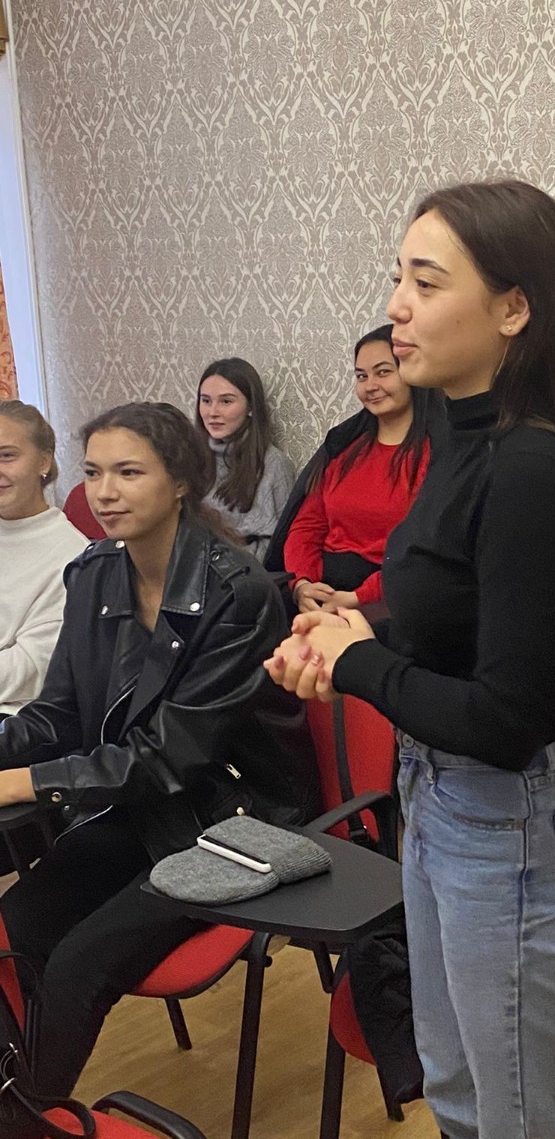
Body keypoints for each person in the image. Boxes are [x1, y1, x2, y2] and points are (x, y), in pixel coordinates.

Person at [267, 180, 555, 1139]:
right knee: (459, 1093)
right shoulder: (459, 439)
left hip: (509, 826)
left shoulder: (535, 467)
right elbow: (446, 619)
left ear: (514, 309)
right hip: (438, 798)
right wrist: (348, 635)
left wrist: (357, 665)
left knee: (521, 1122)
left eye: (426, 284)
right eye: (399, 278)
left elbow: (510, 719)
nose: (396, 307)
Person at [0, 402, 318, 1097]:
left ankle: (29, 1116)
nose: (104, 492)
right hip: (150, 809)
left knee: (79, 964)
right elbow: (59, 715)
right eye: (93, 474)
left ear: (180, 482)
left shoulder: (236, 591)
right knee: (17, 922)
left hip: (235, 821)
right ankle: (20, 1096)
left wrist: (23, 782)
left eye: (128, 472)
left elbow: (168, 757)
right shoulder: (94, 573)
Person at [266, 324, 433, 614]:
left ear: (411, 374)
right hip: (321, 591)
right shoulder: (343, 447)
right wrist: (303, 584)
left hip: (393, 599)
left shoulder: (436, 455)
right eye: (361, 376)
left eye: (383, 372)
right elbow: (307, 526)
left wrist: (358, 598)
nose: (370, 385)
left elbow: (426, 550)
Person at [0, 400, 86, 718]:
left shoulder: (72, 557)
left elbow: (31, 669)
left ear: (44, 460)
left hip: (16, 720)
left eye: (7, 456)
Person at [195, 357, 295, 558]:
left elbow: (277, 548)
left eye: (226, 401)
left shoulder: (273, 465)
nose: (213, 412)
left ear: (251, 407)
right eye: (206, 401)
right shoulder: (191, 456)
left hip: (241, 570)